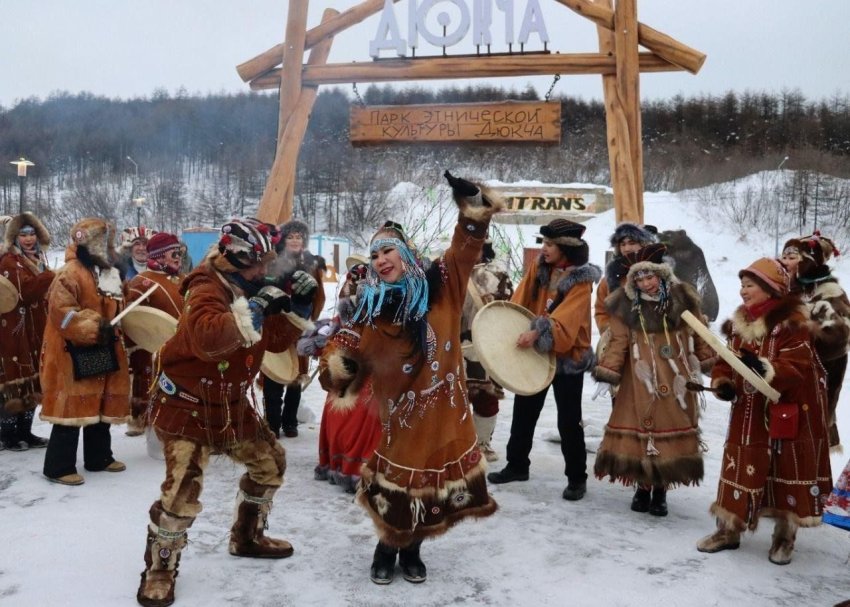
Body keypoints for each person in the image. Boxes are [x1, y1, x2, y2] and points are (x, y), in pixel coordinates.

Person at [319, 171, 501, 585]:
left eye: (388, 252)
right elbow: (341, 364)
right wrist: (339, 368)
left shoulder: (444, 286)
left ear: (405, 254)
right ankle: (386, 549)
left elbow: (465, 246)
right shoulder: (370, 310)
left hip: (444, 414)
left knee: (434, 488)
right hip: (400, 415)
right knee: (398, 488)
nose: (381, 260)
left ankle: (414, 551)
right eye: (375, 255)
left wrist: (473, 207)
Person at [136, 219, 304, 607]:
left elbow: (275, 339)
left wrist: (295, 303)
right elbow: (208, 338)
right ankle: (160, 570)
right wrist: (258, 307)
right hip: (187, 405)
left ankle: (247, 536)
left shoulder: (249, 283)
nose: (263, 270)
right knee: (181, 492)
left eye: (266, 262)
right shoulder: (204, 285)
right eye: (256, 263)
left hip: (229, 406)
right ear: (234, 257)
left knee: (270, 464)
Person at [696, 257, 832, 565]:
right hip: (747, 412)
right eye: (742, 285)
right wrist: (723, 382)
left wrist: (766, 369)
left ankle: (785, 536)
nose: (743, 291)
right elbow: (725, 361)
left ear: (770, 289)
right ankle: (728, 530)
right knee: (739, 464)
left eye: (750, 285)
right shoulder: (739, 322)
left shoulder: (795, 322)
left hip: (785, 410)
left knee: (785, 469)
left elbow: (798, 366)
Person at [591, 243, 715, 516]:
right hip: (639, 380)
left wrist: (708, 363)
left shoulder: (683, 299)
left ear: (661, 275)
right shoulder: (625, 305)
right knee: (643, 431)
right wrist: (608, 372)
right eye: (639, 278)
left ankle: (660, 490)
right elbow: (619, 340)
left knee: (666, 430)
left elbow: (699, 332)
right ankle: (643, 486)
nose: (645, 283)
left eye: (650, 277)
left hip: (675, 379)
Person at [487, 218, 601, 501]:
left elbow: (567, 324)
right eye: (544, 242)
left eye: (550, 244)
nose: (545, 248)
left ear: (565, 248)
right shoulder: (538, 269)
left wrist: (537, 332)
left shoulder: (581, 281)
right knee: (524, 411)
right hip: (536, 353)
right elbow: (518, 303)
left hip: (567, 359)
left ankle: (577, 478)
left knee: (569, 420)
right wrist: (505, 324)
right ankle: (516, 465)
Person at [40, 218, 130, 485]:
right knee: (72, 406)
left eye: (105, 242)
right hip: (71, 351)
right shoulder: (69, 273)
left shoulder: (110, 273)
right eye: (95, 242)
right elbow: (61, 311)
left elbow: (119, 303)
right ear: (83, 244)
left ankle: (99, 457)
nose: (102, 248)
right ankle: (58, 466)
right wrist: (90, 326)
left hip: (104, 346)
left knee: (99, 402)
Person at [302, 254, 381, 493]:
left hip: (362, 366)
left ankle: (342, 464)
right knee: (360, 413)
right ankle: (353, 468)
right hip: (355, 370)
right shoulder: (362, 283)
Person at [780, 232, 849, 449]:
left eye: (792, 257)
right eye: (784, 256)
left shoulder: (830, 292)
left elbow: (841, 337)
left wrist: (804, 325)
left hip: (818, 388)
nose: (785, 262)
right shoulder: (787, 289)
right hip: (786, 385)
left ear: (808, 262)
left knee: (806, 458)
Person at [263, 219, 324, 438]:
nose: (296, 240)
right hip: (276, 327)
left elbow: (319, 297)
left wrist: (309, 319)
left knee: (296, 378)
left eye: (299, 237)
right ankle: (272, 423)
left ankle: (290, 422)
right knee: (273, 377)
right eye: (291, 236)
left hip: (300, 328)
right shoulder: (272, 262)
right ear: (283, 240)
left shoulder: (312, 263)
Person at [0, 213, 54, 450]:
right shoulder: (9, 262)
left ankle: (26, 431)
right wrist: (51, 277)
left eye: (32, 234)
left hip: (35, 328)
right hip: (13, 330)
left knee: (32, 379)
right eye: (23, 234)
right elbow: (25, 293)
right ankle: (7, 434)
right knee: (14, 379)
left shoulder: (38, 259)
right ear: (14, 237)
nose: (29, 239)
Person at [123, 232, 186, 436]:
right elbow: (130, 319)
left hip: (182, 347)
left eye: (180, 252)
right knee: (155, 389)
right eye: (173, 253)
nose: (178, 257)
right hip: (153, 349)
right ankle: (147, 422)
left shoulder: (184, 279)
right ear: (159, 256)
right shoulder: (143, 281)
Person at [460, 238, 513, 461]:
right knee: (454, 397)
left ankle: (482, 443)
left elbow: (508, 308)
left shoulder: (498, 274)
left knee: (486, 396)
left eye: (477, 247)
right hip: (454, 344)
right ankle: (457, 443)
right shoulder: (450, 272)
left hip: (488, 344)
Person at [594, 222, 657, 334]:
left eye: (632, 243)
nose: (626, 248)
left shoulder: (659, 273)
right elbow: (601, 310)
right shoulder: (610, 280)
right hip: (620, 345)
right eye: (622, 244)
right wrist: (611, 332)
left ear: (643, 244)